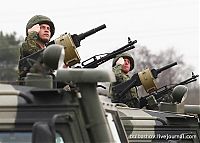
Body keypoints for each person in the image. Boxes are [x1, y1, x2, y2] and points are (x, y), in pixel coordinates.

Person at [18, 15, 55, 80]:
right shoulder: (27, 46)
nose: (46, 30)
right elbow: (30, 50)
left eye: (48, 28)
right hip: (32, 86)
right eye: (42, 27)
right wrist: (32, 34)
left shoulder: (49, 51)